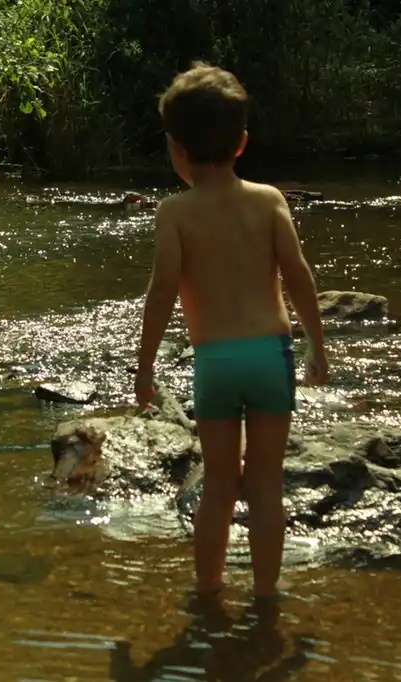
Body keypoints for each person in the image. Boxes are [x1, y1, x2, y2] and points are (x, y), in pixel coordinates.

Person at [133, 62, 328, 598]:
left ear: (175, 148)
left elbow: (162, 290)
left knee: (219, 489)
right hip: (271, 355)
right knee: (266, 488)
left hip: (215, 363)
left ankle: (210, 593)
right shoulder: (268, 200)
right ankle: (267, 596)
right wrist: (316, 342)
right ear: (242, 143)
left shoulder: (175, 212)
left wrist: (145, 366)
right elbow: (298, 274)